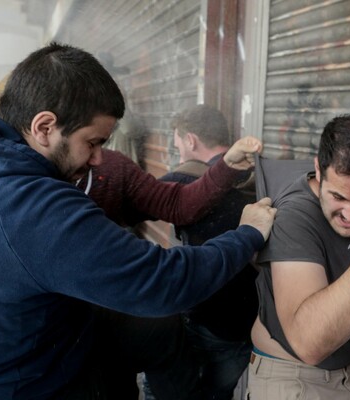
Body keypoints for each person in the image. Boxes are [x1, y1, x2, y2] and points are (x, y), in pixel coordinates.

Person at [0, 42, 277, 400]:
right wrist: (247, 234)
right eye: (93, 142)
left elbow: (174, 203)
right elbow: (164, 281)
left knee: (156, 332)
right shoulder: (33, 206)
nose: (100, 158)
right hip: (23, 383)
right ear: (43, 126)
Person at [248, 114, 350, 400]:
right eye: (338, 197)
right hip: (294, 378)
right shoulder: (293, 216)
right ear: (318, 170)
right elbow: (308, 342)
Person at [156, 104, 258, 400]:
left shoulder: (182, 181)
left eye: (177, 139)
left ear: (190, 139)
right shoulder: (260, 173)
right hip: (248, 322)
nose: (176, 147)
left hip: (204, 320)